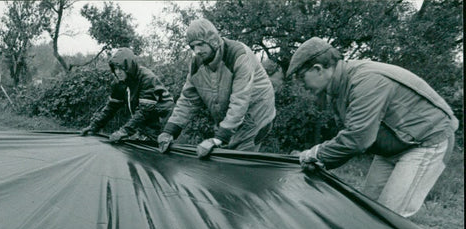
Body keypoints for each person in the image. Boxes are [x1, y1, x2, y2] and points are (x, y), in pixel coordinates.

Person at [287, 37, 458, 218]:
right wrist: (319, 160)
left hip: (426, 142)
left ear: (318, 69)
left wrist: (313, 155)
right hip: (394, 147)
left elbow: (358, 139)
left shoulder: (366, 81)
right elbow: (352, 137)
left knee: (390, 217)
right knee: (369, 210)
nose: (301, 84)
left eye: (300, 76)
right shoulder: (338, 88)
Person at [157, 18, 276, 158]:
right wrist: (169, 131)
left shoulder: (238, 55)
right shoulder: (197, 64)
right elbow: (188, 100)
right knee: (223, 158)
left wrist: (219, 138)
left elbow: (240, 100)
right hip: (231, 117)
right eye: (193, 46)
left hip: (256, 115)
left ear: (213, 41)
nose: (197, 51)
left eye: (201, 44)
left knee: (239, 162)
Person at [80, 48, 174, 143]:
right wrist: (94, 125)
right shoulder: (119, 83)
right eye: (115, 68)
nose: (118, 72)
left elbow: (144, 111)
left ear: (129, 67)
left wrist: (124, 131)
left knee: (155, 150)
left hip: (164, 119)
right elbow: (111, 107)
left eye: (121, 68)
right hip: (144, 119)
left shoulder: (147, 79)